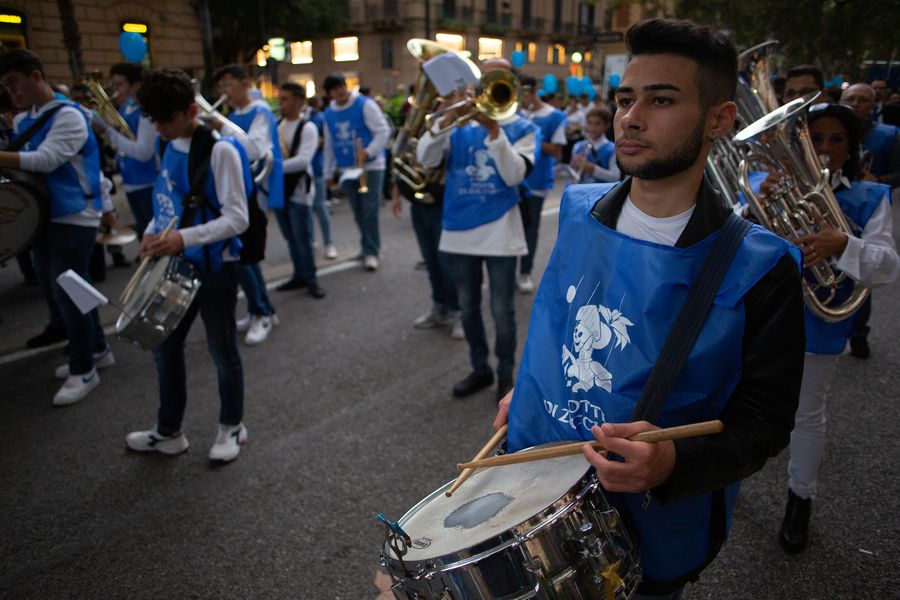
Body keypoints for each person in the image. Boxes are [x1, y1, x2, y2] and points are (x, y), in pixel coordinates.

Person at [494, 19, 805, 598]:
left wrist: (672, 465)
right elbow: (558, 326)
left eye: (661, 100)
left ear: (719, 119)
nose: (631, 118)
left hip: (645, 530)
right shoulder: (579, 207)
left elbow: (764, 421)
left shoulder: (761, 266)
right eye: (625, 99)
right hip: (536, 496)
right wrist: (530, 389)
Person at [775, 103, 898, 552]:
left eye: (837, 140)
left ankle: (799, 500)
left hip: (819, 320)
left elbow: (887, 267)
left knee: (807, 414)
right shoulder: (773, 187)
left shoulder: (870, 197)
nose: (825, 149)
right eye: (816, 139)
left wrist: (843, 243)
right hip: (764, 317)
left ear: (852, 148)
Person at [125, 68, 252, 463]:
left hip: (215, 269)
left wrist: (182, 238)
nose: (158, 128)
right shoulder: (169, 145)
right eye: (154, 120)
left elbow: (237, 219)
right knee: (164, 348)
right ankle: (169, 432)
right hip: (177, 266)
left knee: (221, 351)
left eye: (165, 119)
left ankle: (232, 426)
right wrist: (151, 232)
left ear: (189, 110)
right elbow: (168, 203)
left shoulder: (222, 151)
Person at [417, 57, 540, 401]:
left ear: (510, 82)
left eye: (494, 77)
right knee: (468, 308)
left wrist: (494, 132)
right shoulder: (457, 123)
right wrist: (444, 118)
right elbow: (426, 159)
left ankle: (505, 375)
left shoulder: (525, 128)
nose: (486, 83)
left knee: (503, 310)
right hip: (458, 231)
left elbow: (515, 175)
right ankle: (480, 369)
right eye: (481, 77)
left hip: (501, 231)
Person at [0, 49, 113, 405]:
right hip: (48, 217)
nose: (11, 92)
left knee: (68, 292)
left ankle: (85, 369)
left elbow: (47, 161)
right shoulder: (26, 119)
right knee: (68, 289)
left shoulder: (69, 116)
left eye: (13, 82)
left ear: (35, 76)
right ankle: (96, 349)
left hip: (75, 215)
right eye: (5, 86)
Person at [213, 64, 282, 345]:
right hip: (238, 190)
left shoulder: (260, 112)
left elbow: (255, 149)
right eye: (222, 86)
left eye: (228, 84)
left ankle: (261, 311)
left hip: (254, 191)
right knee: (242, 256)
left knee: (245, 257)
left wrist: (222, 128)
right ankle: (260, 307)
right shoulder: (234, 115)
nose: (225, 91)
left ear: (244, 83)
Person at [840, 82, 900, 358]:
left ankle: (858, 333)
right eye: (850, 98)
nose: (856, 104)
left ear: (873, 104)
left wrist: (880, 180)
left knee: (859, 276)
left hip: (865, 203)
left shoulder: (889, 134)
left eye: (863, 99)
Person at [322, 73, 391, 271]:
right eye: (335, 89)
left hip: (370, 166)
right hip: (347, 168)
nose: (340, 91)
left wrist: (368, 152)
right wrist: (328, 173)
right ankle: (366, 246)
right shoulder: (329, 114)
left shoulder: (364, 104)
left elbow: (383, 131)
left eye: (342, 86)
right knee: (358, 211)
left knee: (369, 210)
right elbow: (329, 144)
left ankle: (372, 251)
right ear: (329, 94)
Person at [94, 62, 158, 242]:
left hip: (147, 182)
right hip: (130, 180)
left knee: (152, 235)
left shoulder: (145, 111)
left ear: (136, 84)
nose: (115, 89)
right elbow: (121, 139)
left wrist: (108, 131)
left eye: (120, 84)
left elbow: (144, 152)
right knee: (143, 233)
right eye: (114, 84)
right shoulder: (126, 107)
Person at [275, 82, 325, 298]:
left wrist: (273, 168)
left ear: (298, 101)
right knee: (291, 238)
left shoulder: (308, 127)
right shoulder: (277, 125)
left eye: (285, 99)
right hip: (279, 190)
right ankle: (298, 275)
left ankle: (311, 279)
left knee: (302, 238)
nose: (280, 103)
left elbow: (303, 161)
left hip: (299, 192)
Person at [518, 74, 567, 294]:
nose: (521, 97)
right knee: (511, 227)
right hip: (513, 179)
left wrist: (532, 134)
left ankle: (525, 271)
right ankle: (509, 270)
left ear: (535, 90)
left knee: (530, 229)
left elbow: (556, 152)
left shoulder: (554, 116)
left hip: (536, 181)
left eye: (525, 92)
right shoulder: (517, 113)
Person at [306, 95, 337, 259]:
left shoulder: (320, 118)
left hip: (316, 168)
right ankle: (311, 240)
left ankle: (329, 243)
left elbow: (326, 141)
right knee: (308, 208)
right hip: (305, 171)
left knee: (321, 206)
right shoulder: (305, 118)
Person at [570, 106, 620, 184]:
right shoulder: (578, 146)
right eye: (590, 123)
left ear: (607, 125)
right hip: (581, 192)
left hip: (603, 194)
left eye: (598, 123)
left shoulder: (612, 149)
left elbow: (615, 177)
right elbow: (571, 177)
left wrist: (592, 169)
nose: (593, 127)